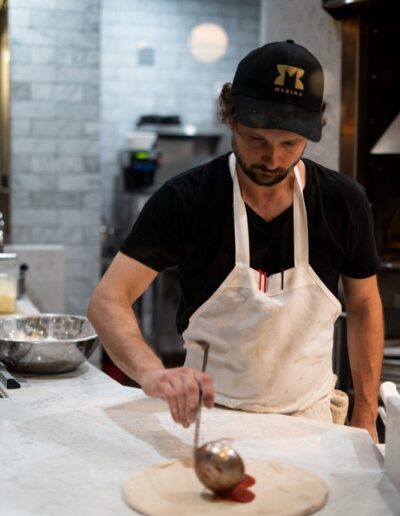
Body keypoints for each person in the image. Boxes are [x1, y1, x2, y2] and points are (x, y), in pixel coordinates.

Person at [88, 40, 383, 441]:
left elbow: (364, 307)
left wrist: (365, 417)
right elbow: (108, 299)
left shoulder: (343, 201)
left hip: (312, 424)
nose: (273, 160)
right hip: (209, 423)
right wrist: (150, 372)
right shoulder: (186, 200)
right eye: (256, 140)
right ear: (230, 117)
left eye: (290, 144)